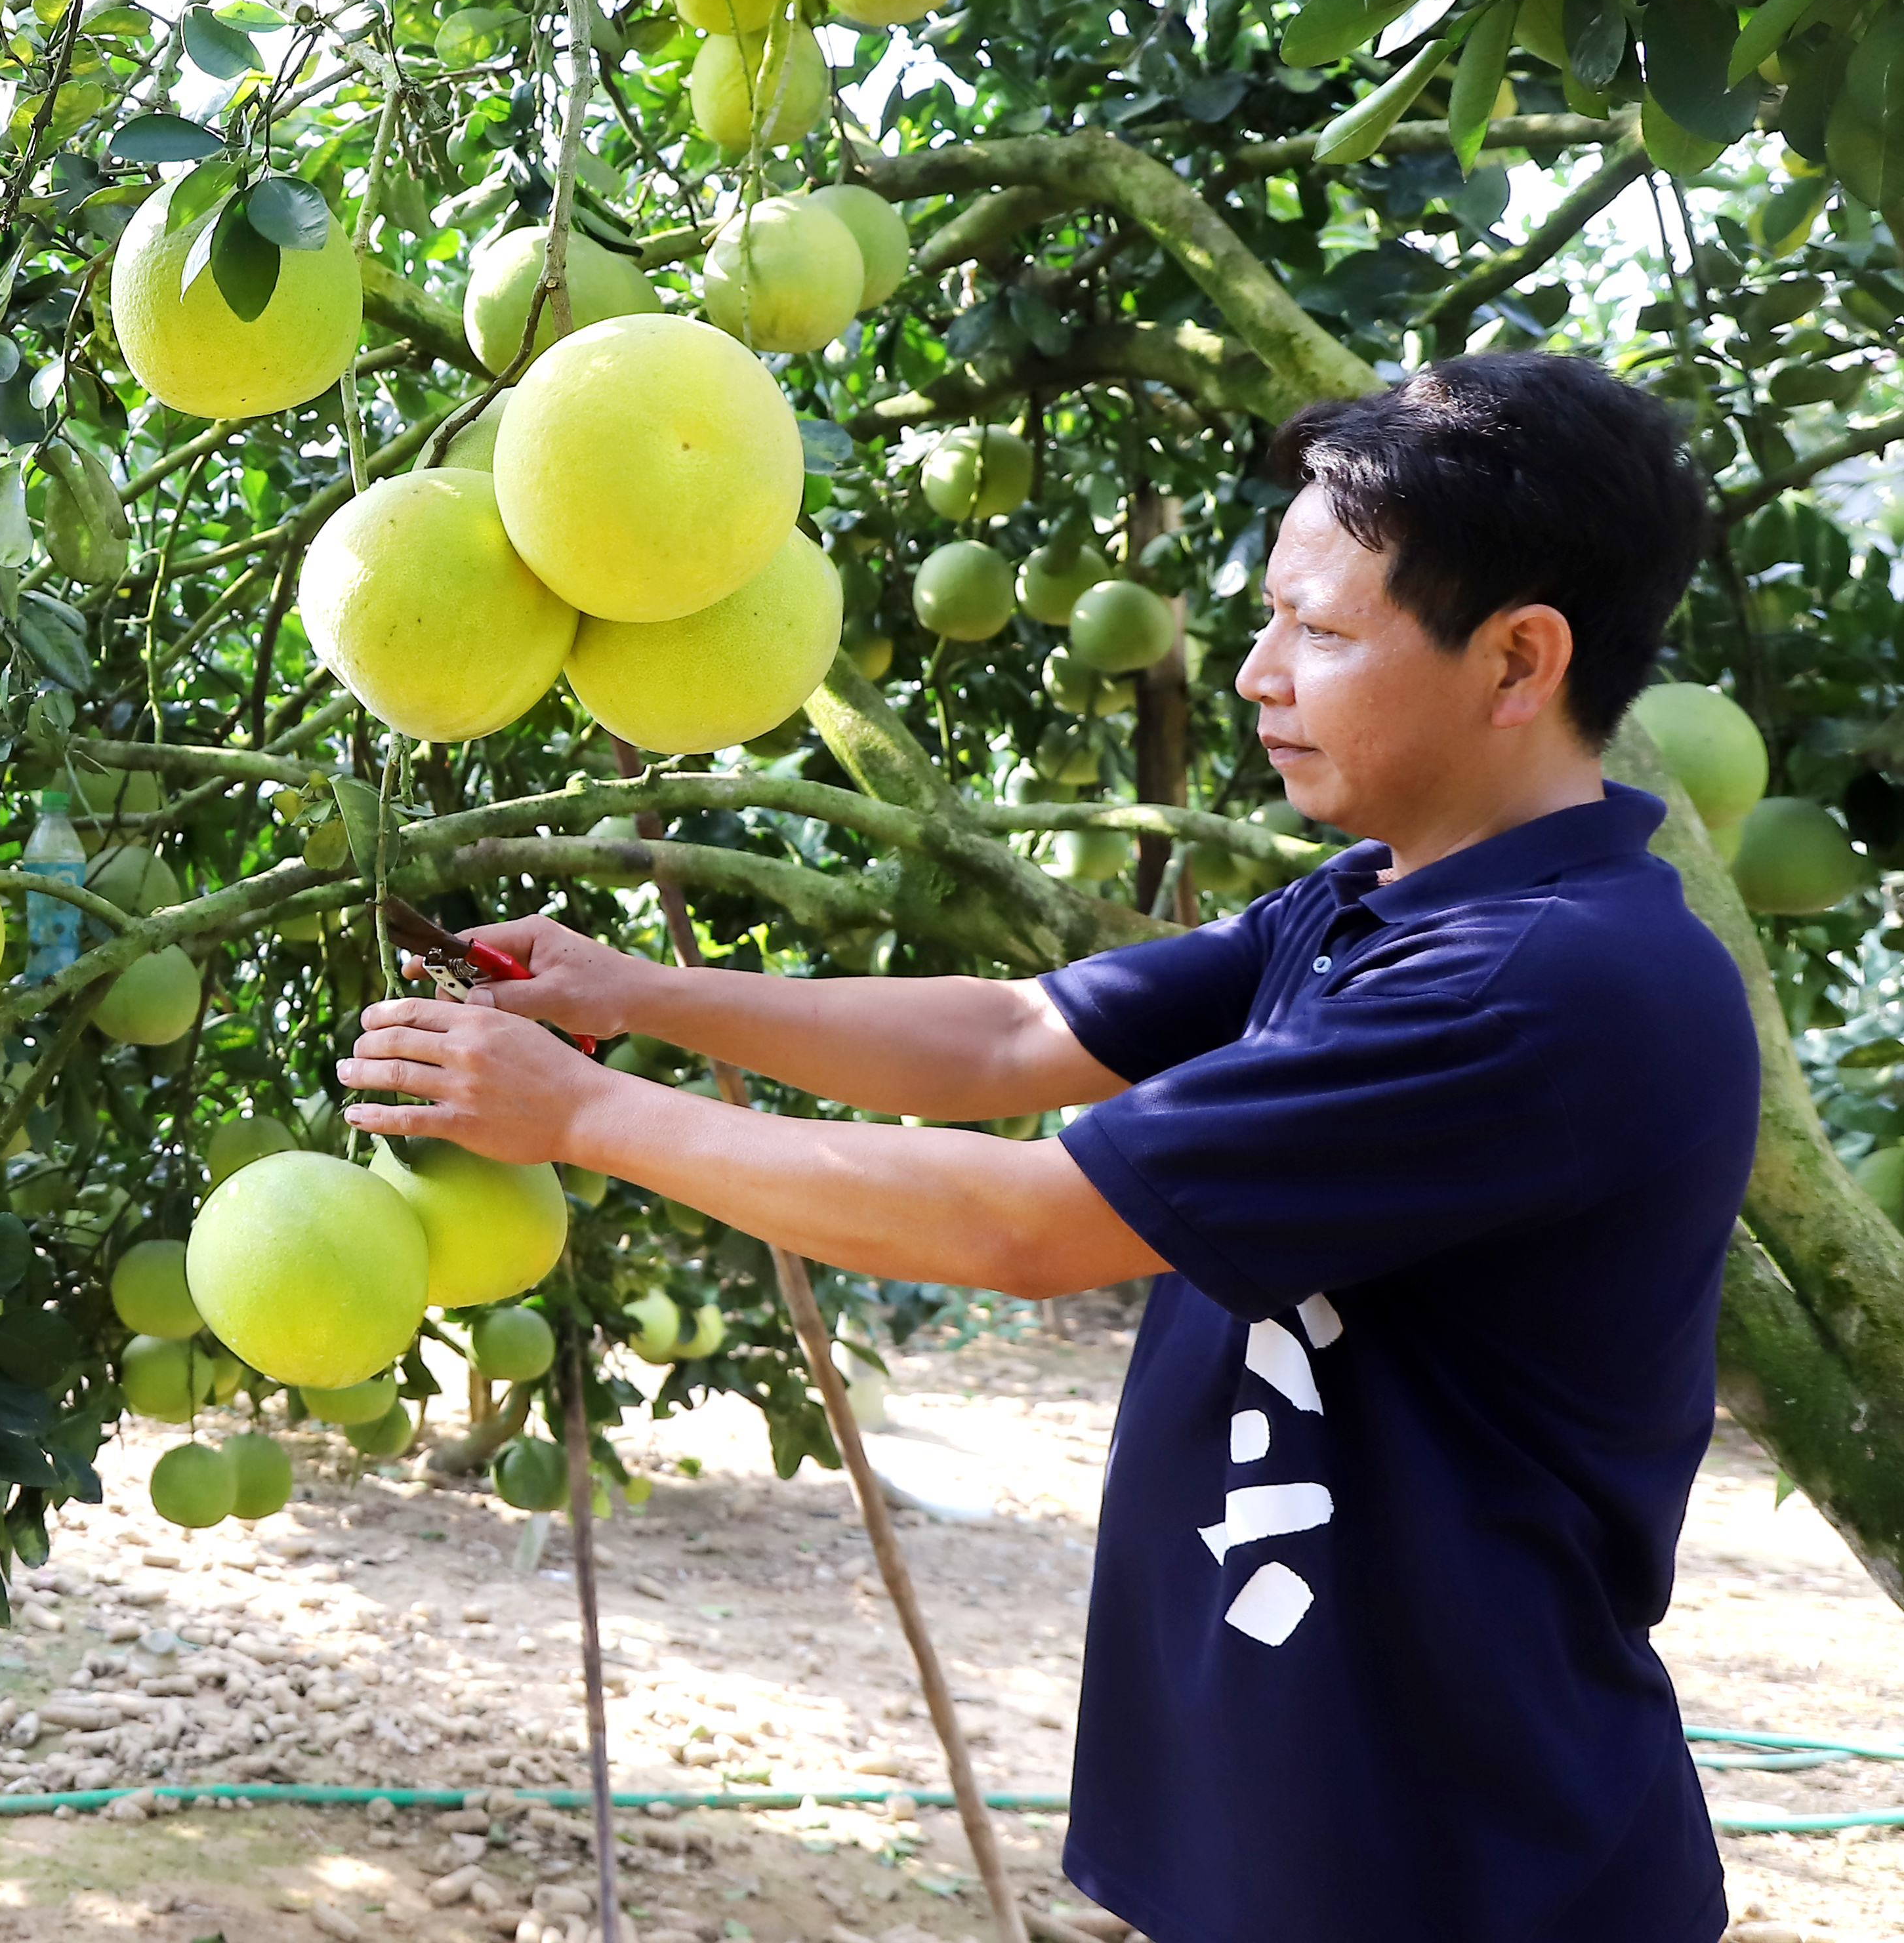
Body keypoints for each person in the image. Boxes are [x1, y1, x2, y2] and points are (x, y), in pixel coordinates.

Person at [335, 354, 1759, 1943]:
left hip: (1465, 1874)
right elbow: (1013, 1037)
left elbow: (1032, 1226)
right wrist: (644, 995)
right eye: (1271, 614)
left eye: (1324, 630)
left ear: (1519, 660)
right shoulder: (1377, 903)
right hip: (1304, 1840)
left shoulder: (1540, 981)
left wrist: (588, 1113)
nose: (1256, 674)